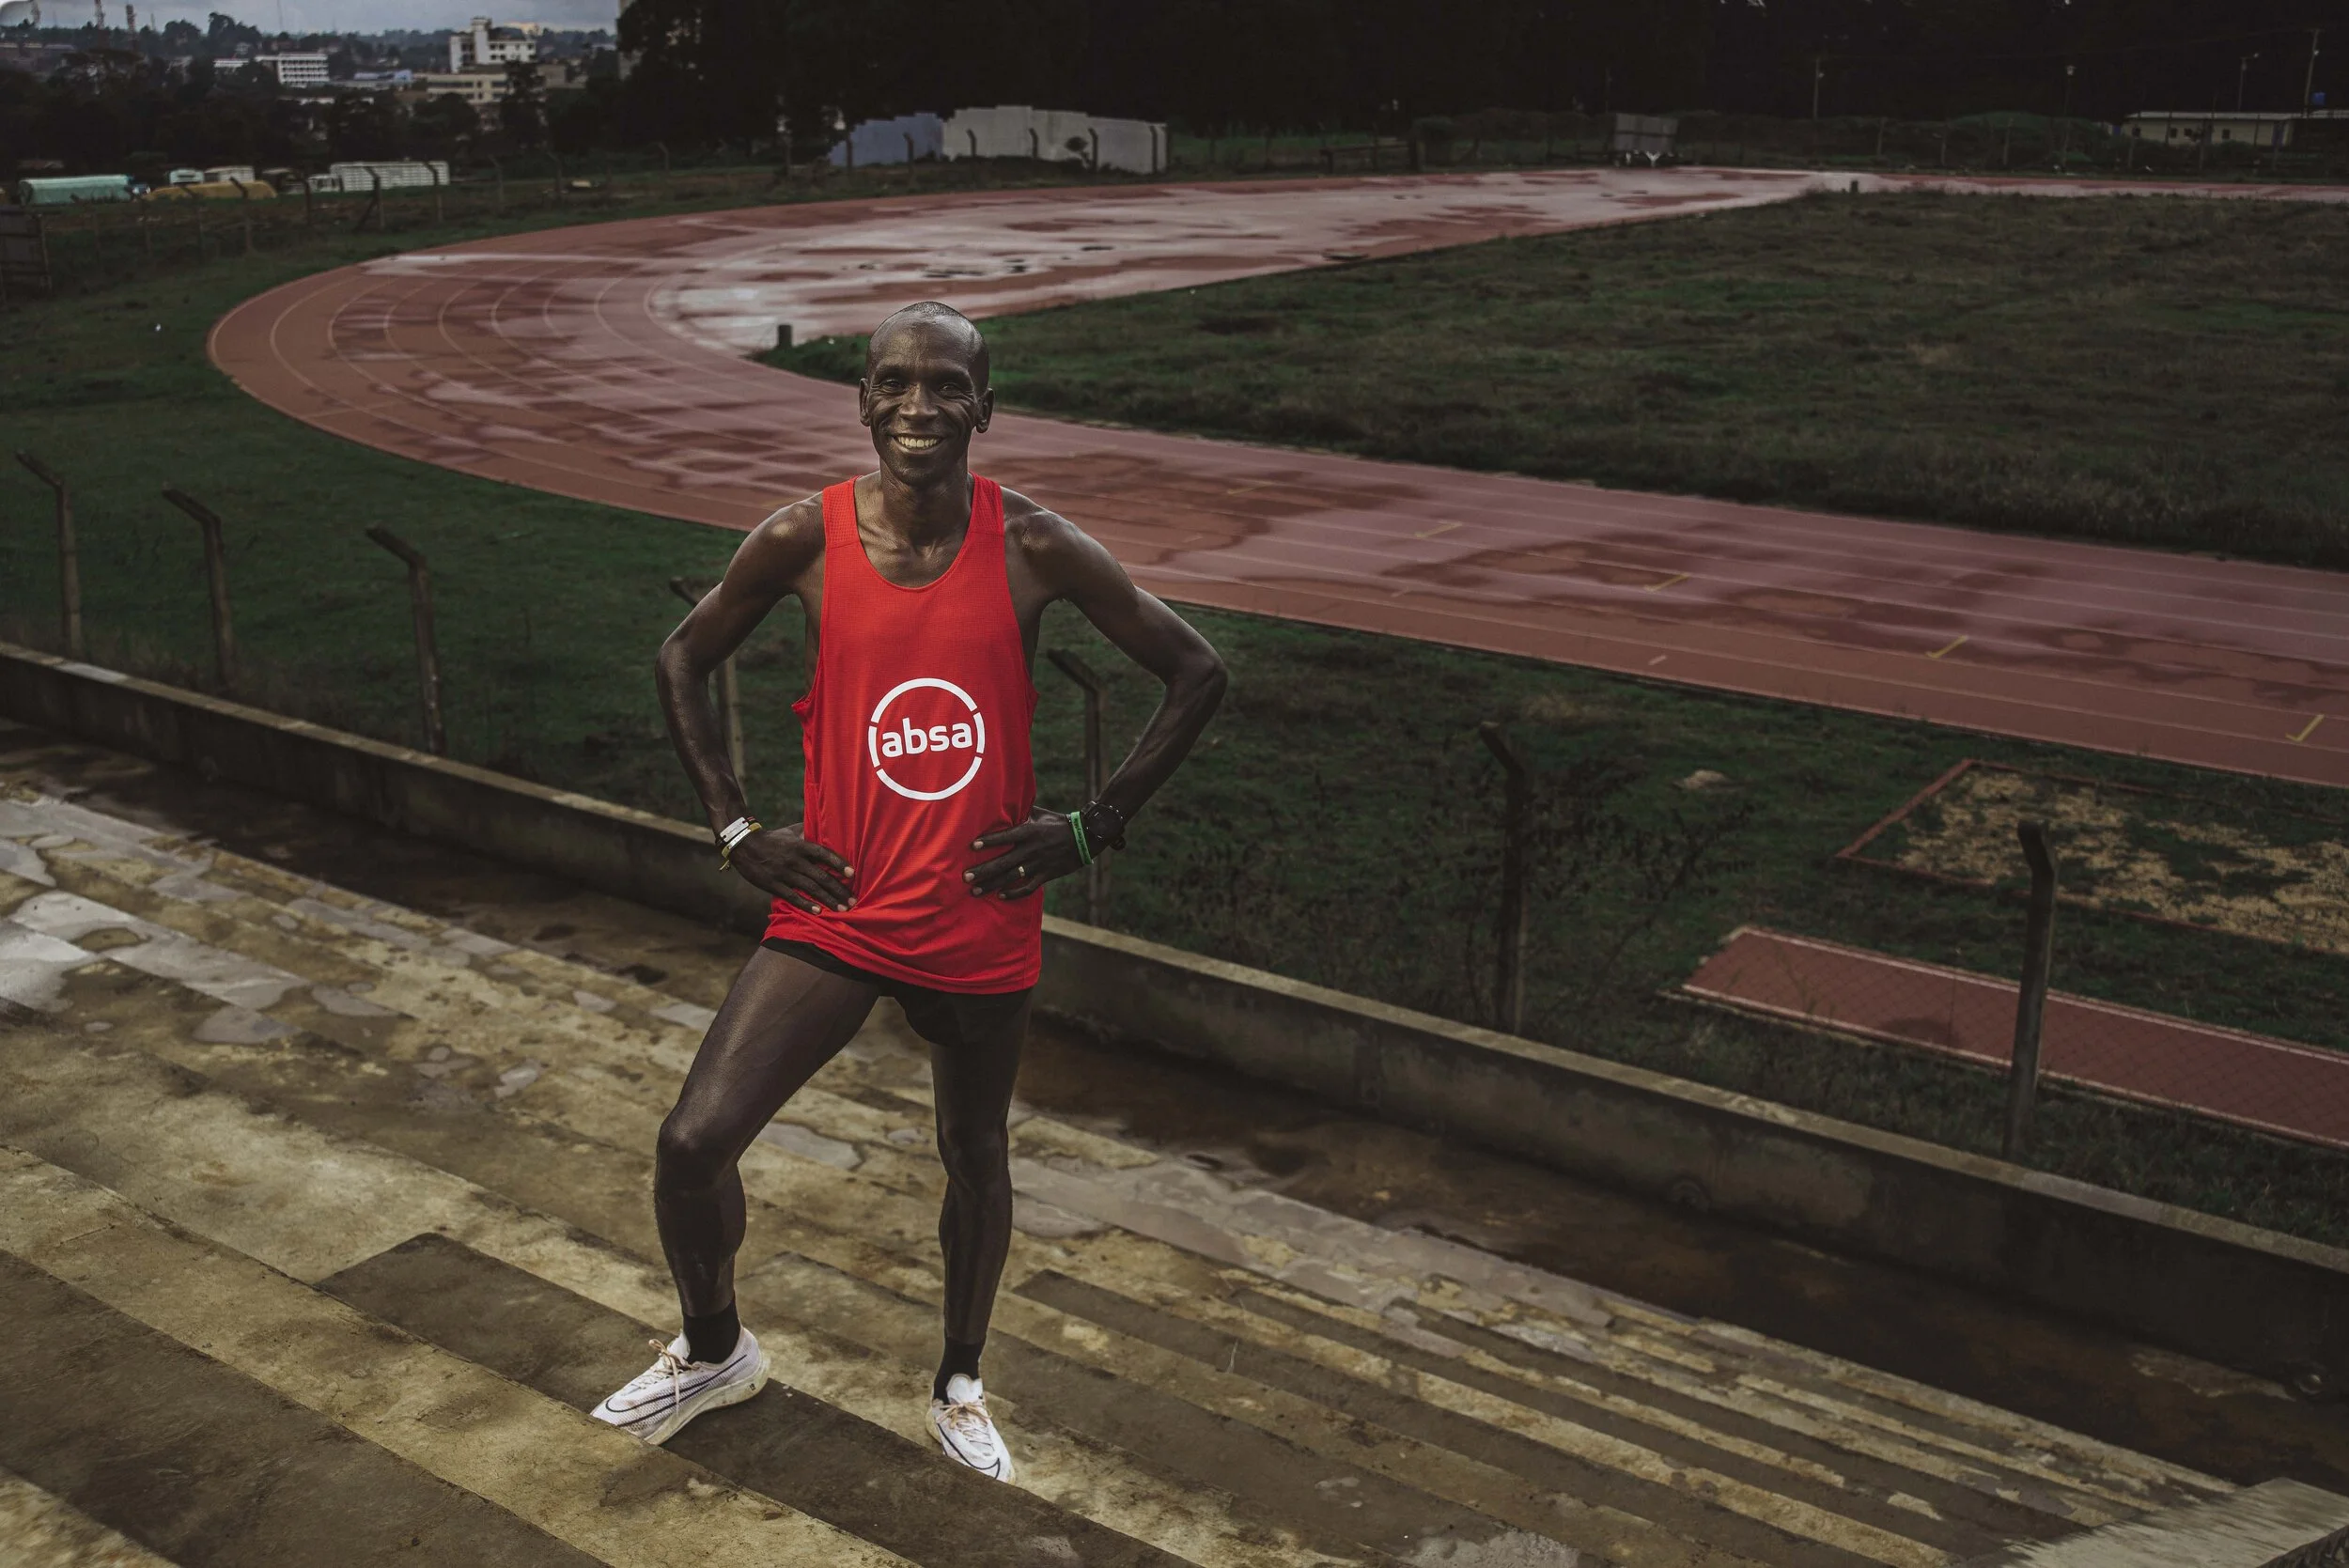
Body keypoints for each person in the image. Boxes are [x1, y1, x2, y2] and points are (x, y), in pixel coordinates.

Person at [594, 301, 1227, 1481]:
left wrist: (1093, 824)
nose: (919, 406)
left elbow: (1195, 669)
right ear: (864, 400)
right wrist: (736, 829)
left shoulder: (1035, 545)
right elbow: (682, 654)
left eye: (947, 385)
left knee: (972, 1154)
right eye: (896, 382)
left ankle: (959, 1381)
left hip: (982, 911)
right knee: (692, 1141)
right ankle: (715, 1349)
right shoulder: (803, 535)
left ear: (983, 406)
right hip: (843, 907)